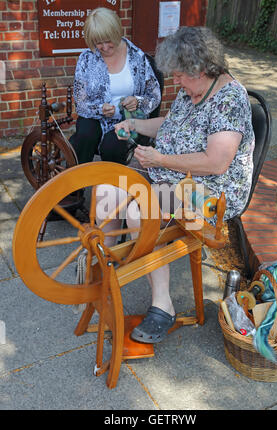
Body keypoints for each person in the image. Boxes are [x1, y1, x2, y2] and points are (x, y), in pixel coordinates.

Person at [97, 26, 255, 344]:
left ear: (203, 68)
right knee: (106, 191)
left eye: (181, 75)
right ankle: (105, 271)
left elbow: (216, 161)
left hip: (212, 191)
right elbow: (170, 125)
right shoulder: (194, 90)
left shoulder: (230, 99)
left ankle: (162, 305)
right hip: (172, 176)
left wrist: (159, 160)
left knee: (140, 212)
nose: (177, 81)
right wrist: (135, 124)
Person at [69, 7, 161, 165]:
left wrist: (137, 101)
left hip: (130, 118)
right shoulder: (86, 59)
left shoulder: (137, 57)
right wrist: (99, 109)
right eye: (98, 43)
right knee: (84, 136)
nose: (104, 47)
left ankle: (112, 187)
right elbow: (81, 102)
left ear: (117, 33)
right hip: (95, 116)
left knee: (112, 146)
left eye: (108, 41)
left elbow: (154, 96)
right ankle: (74, 186)